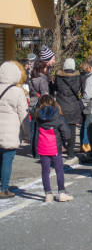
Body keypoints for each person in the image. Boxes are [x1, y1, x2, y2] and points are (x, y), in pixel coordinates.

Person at [34, 95, 72, 202]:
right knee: (59, 170)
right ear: (53, 103)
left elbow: (34, 133)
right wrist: (65, 142)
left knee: (45, 171)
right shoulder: (58, 117)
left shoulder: (38, 117)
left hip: (42, 148)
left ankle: (48, 194)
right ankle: (61, 192)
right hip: (55, 148)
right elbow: (67, 133)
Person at [0, 61, 28, 199]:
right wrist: (28, 132)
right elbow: (23, 114)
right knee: (7, 159)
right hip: (10, 131)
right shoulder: (17, 92)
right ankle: (4, 189)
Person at [54, 58, 82, 162]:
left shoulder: (58, 76)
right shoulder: (78, 77)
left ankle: (59, 151)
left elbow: (55, 88)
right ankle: (70, 153)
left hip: (61, 105)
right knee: (72, 130)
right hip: (74, 105)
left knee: (60, 129)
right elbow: (80, 89)